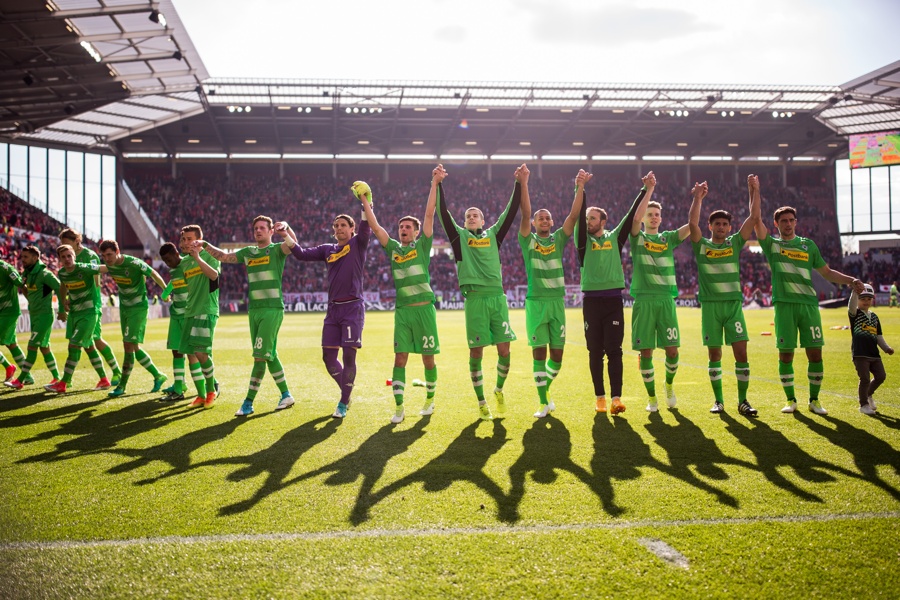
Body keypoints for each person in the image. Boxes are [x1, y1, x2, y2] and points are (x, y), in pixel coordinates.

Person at [755, 204, 864, 415]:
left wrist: (851, 280)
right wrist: (754, 191)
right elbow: (756, 220)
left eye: (791, 220)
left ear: (796, 222)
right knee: (786, 355)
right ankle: (790, 400)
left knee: (815, 354)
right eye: (784, 221)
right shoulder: (772, 245)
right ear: (776, 224)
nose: (788, 224)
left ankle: (814, 400)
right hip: (785, 306)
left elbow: (827, 272)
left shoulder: (808, 246)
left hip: (809, 307)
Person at [436, 164, 524, 420]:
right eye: (468, 215)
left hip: (497, 297)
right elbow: (443, 214)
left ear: (484, 220)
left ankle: (498, 389)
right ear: (464, 222)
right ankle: (481, 400)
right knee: (476, 352)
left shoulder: (494, 235)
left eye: (476, 215)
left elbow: (510, 213)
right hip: (475, 299)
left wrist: (518, 183)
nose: (472, 216)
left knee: (505, 350)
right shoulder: (459, 238)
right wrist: (439, 184)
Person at [361, 167, 442, 424]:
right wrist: (364, 201)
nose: (403, 230)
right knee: (400, 357)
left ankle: (429, 399)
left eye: (408, 227)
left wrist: (435, 183)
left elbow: (429, 213)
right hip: (404, 312)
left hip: (424, 310)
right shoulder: (393, 248)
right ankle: (399, 407)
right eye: (401, 227)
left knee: (428, 359)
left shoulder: (422, 245)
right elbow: (375, 227)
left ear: (416, 231)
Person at [283, 189, 371, 419]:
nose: (339, 228)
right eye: (336, 226)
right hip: (333, 310)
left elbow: (367, 225)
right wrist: (285, 235)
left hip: (352, 308)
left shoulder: (358, 243)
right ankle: (348, 392)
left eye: (343, 225)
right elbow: (300, 254)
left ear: (351, 229)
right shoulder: (326, 250)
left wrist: (365, 202)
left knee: (349, 358)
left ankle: (343, 402)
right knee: (328, 357)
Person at [201, 216, 297, 417]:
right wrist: (204, 245)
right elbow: (222, 257)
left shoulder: (278, 249)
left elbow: (293, 245)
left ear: (271, 231)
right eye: (256, 228)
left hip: (272, 309)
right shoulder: (248, 252)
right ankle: (286, 395)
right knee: (269, 353)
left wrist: (285, 230)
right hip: (254, 310)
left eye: (263, 228)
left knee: (259, 357)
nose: (259, 231)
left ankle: (248, 402)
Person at [576, 171, 655, 414]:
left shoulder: (615, 238)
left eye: (593, 219)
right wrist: (580, 188)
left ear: (603, 222)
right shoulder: (583, 241)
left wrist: (646, 189)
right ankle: (600, 397)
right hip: (591, 302)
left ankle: (616, 399)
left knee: (615, 350)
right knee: (595, 352)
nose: (589, 221)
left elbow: (632, 213)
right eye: (588, 218)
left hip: (613, 300)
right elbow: (578, 214)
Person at [688, 175, 761, 416]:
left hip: (733, 306)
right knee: (715, 354)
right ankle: (719, 401)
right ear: (710, 227)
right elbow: (692, 225)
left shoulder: (734, 244)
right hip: (711, 307)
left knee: (741, 352)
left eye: (724, 224)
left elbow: (753, 219)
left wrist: (754, 191)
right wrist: (698, 198)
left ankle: (743, 401)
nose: (721, 227)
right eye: (717, 224)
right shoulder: (702, 247)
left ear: (729, 228)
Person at [518, 169, 584, 418]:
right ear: (535, 224)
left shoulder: (558, 239)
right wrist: (524, 183)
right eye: (540, 219)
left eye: (547, 218)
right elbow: (525, 213)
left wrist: (579, 187)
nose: (544, 221)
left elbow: (574, 215)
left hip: (557, 302)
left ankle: (545, 390)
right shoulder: (528, 240)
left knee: (557, 357)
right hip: (536, 303)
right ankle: (543, 402)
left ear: (552, 223)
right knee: (539, 353)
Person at [629, 174, 690, 412]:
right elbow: (634, 218)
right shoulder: (638, 238)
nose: (653, 217)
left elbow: (692, 226)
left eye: (656, 214)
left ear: (661, 218)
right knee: (646, 351)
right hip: (644, 300)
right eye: (649, 214)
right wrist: (649, 189)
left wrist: (697, 200)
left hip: (666, 300)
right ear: (644, 218)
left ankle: (669, 384)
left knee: (672, 350)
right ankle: (652, 397)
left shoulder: (668, 239)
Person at [99, 240, 169, 397]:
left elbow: (153, 273)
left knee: (128, 345)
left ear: (117, 252)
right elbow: (97, 269)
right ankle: (158, 375)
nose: (107, 259)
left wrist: (166, 291)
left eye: (109, 255)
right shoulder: (109, 265)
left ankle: (122, 386)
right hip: (124, 308)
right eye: (104, 256)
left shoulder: (134, 263)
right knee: (134, 347)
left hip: (138, 308)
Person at [58, 228, 121, 385]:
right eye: (62, 244)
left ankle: (116, 372)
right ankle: (103, 377)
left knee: (94, 340)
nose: (64, 247)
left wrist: (80, 295)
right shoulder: (67, 258)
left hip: (90, 305)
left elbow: (97, 281)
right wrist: (67, 298)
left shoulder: (90, 256)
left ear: (76, 241)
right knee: (87, 343)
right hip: (76, 307)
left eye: (67, 243)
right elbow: (65, 282)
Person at [47, 244, 112, 393]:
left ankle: (63, 383)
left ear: (74, 256)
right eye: (63, 257)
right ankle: (104, 379)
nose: (67, 259)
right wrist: (63, 303)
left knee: (74, 346)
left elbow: (104, 268)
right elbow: (63, 287)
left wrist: (118, 263)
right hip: (75, 314)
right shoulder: (62, 273)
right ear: (59, 259)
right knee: (89, 347)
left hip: (89, 314)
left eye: (69, 256)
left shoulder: (84, 267)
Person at [4, 247, 61, 389]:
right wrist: (29, 296)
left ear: (35, 258)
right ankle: (56, 377)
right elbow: (23, 286)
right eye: (22, 257)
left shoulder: (45, 274)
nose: (22, 260)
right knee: (44, 347)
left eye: (26, 257)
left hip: (45, 315)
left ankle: (20, 380)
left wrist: (62, 309)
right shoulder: (28, 273)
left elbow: (60, 287)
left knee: (32, 346)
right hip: (35, 315)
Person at [180, 225, 221, 408]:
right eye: (184, 239)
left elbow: (214, 276)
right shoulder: (183, 263)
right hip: (190, 311)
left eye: (190, 239)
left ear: (199, 239)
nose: (186, 242)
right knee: (191, 354)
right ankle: (201, 394)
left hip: (206, 309)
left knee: (200, 352)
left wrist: (197, 257)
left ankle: (212, 391)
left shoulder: (210, 255)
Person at [848, 284, 893, 415]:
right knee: (865, 379)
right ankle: (863, 405)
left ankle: (868, 394)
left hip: (874, 354)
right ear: (858, 300)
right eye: (863, 299)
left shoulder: (874, 317)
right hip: (860, 353)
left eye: (869, 299)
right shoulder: (855, 314)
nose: (866, 301)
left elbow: (878, 336)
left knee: (881, 376)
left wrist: (886, 348)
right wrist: (855, 293)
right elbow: (851, 305)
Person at [158, 243, 188, 400]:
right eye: (164, 261)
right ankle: (179, 385)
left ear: (176, 253)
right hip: (176, 314)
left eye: (169, 259)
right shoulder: (174, 269)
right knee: (176, 350)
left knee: (195, 352)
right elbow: (174, 282)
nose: (167, 263)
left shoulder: (187, 263)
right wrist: (166, 292)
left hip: (188, 314)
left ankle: (212, 383)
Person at [0, 257, 27, 383]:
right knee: (11, 344)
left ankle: (8, 366)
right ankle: (27, 376)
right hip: (2, 312)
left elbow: (22, 284)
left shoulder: (5, 268)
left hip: (8, 312)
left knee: (11, 344)